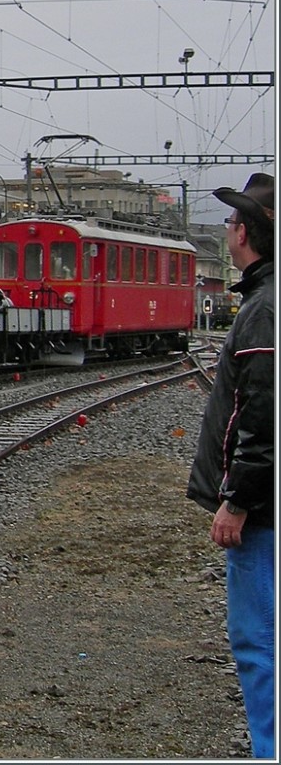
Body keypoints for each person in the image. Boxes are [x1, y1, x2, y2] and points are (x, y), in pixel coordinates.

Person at [187, 172, 275, 759]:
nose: (226, 230)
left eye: (229, 222)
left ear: (244, 233)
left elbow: (264, 414)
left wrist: (237, 498)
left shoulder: (264, 310)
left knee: (259, 642)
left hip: (264, 511)